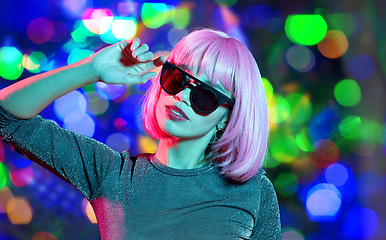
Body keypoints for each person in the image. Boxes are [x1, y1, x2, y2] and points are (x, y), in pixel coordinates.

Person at [0, 28, 281, 239]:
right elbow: (6, 116)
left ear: (227, 118)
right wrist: (91, 69)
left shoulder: (253, 193)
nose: (182, 95)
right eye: (178, 77)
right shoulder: (112, 173)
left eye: (205, 95)